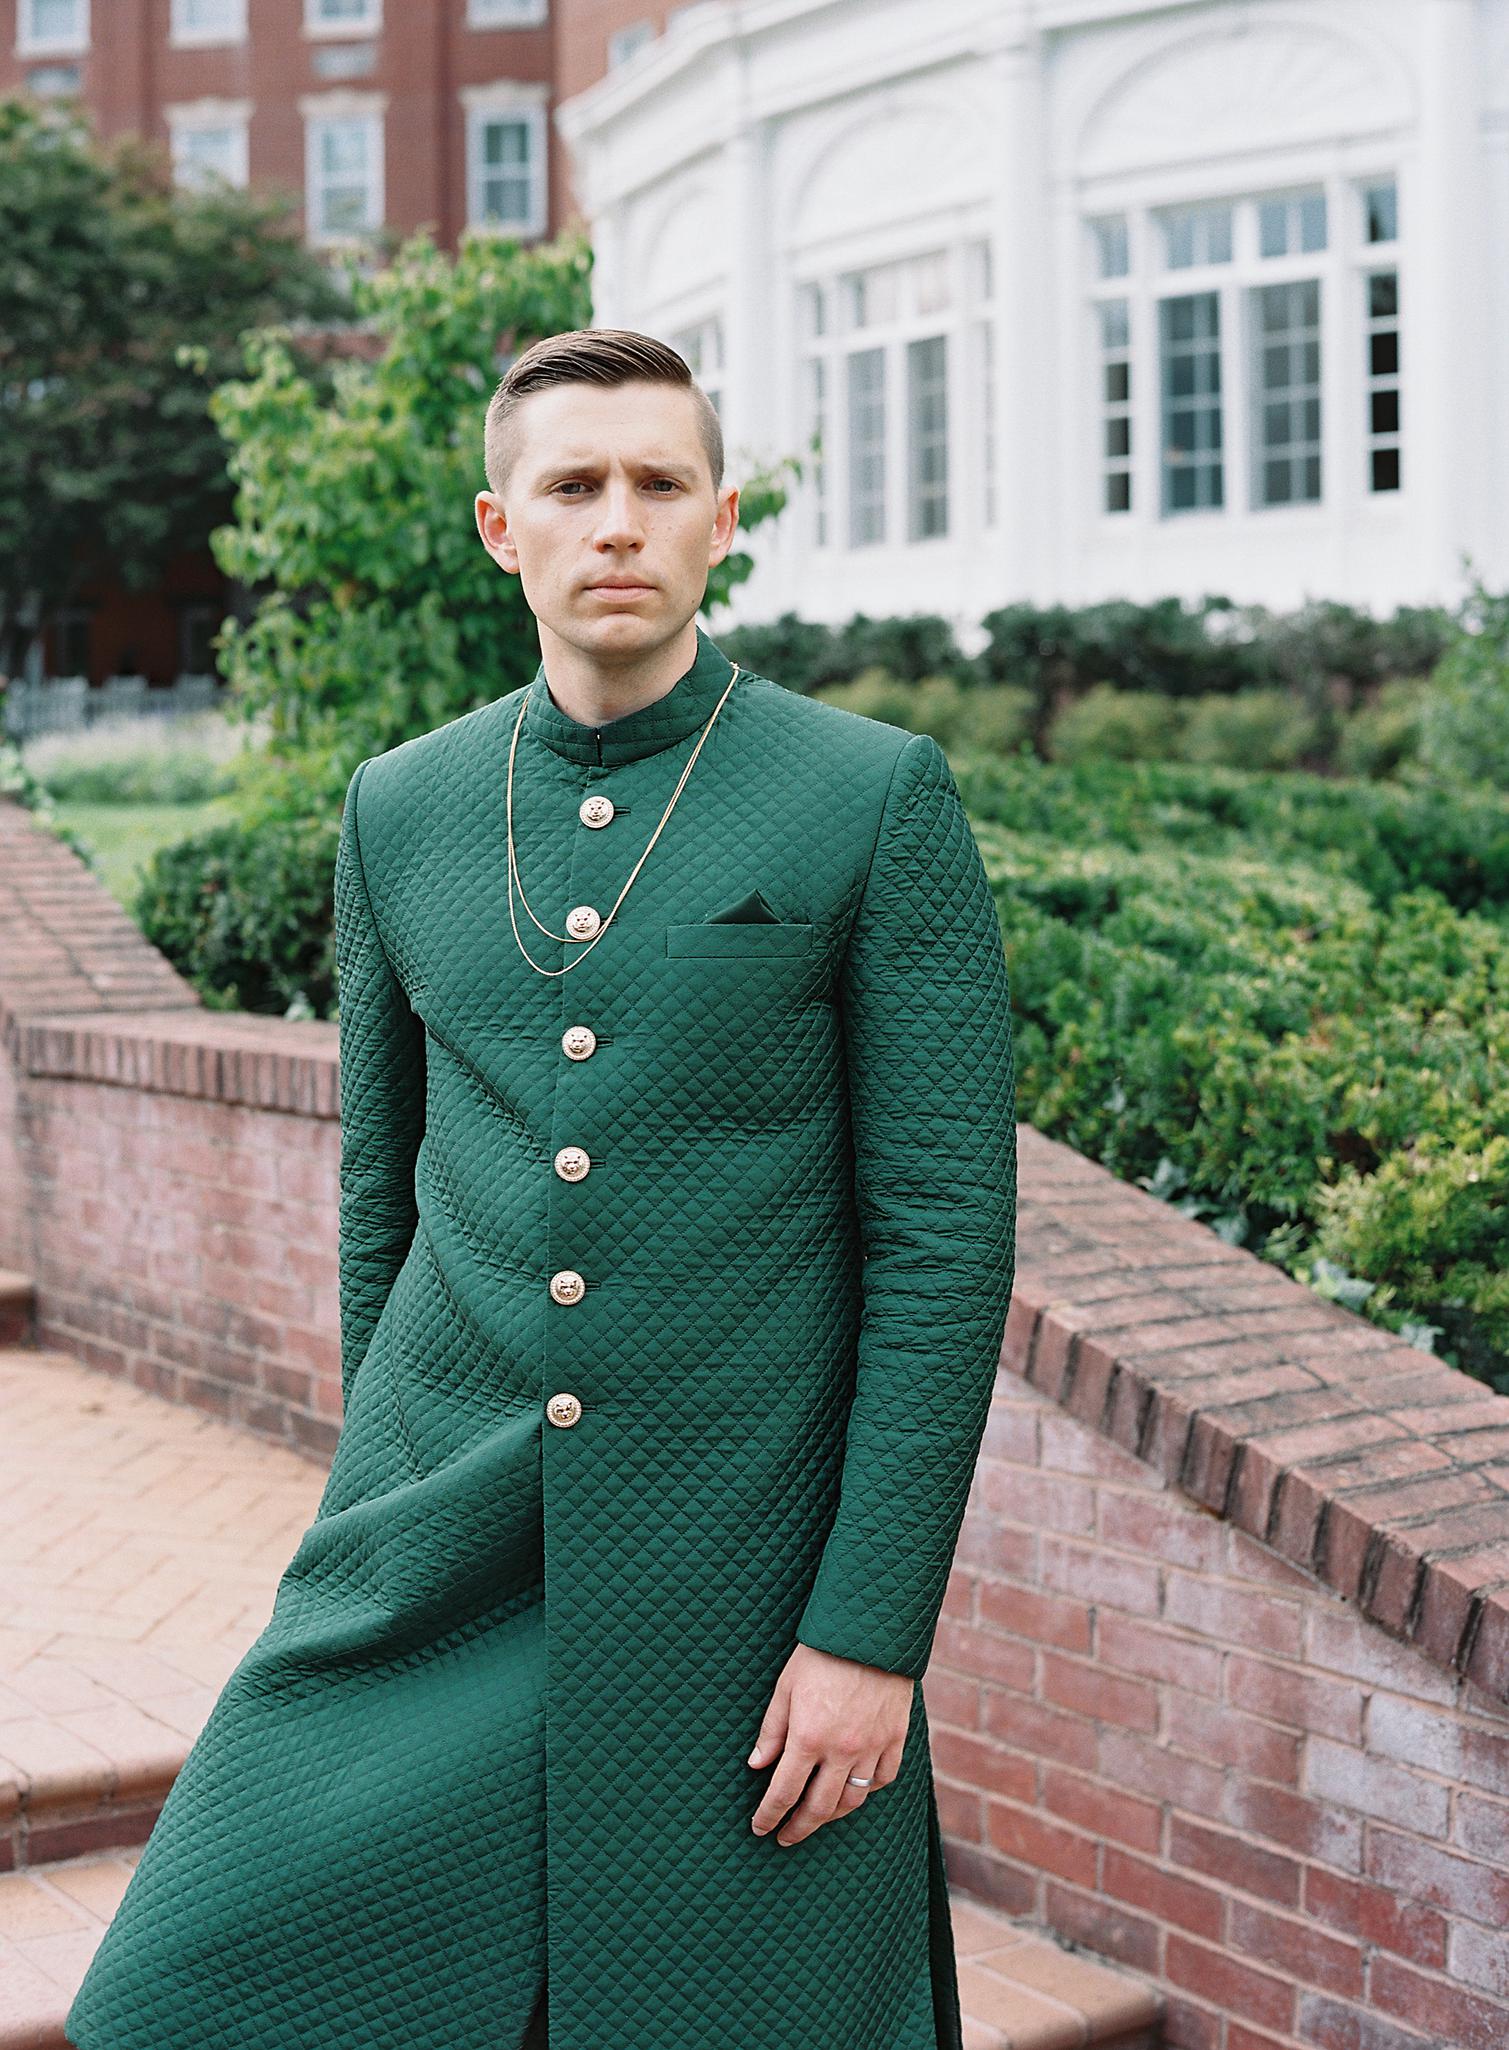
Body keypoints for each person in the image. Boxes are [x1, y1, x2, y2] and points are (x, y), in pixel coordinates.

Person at [65, 326, 1016, 2050]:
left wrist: (869, 1631)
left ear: (721, 519)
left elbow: (943, 1244)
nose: (618, 522)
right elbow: (383, 1191)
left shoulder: (869, 798)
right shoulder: (401, 808)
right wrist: (377, 1497)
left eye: (660, 484)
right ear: (501, 526)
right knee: (172, 1994)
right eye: (573, 484)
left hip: (736, 1557)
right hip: (441, 1541)